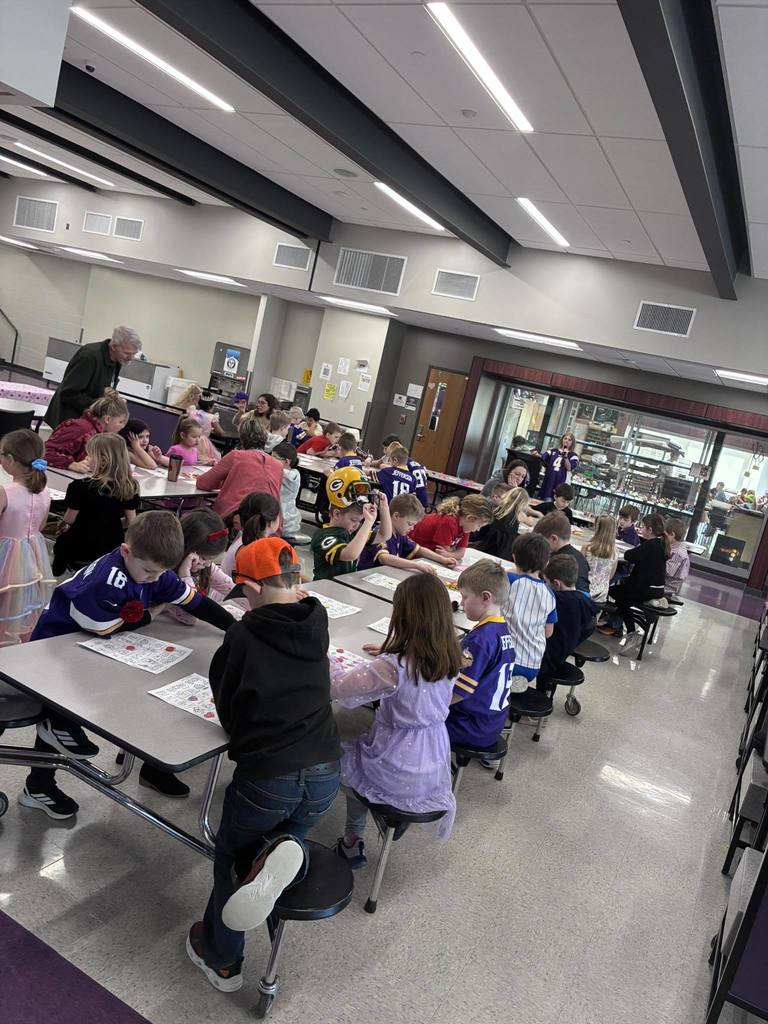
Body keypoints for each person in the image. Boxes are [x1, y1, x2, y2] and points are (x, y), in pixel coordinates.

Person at [187, 537, 341, 988]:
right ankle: (284, 861)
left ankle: (223, 961)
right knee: (284, 843)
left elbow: (229, 708)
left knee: (231, 859)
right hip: (325, 771)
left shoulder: (243, 634)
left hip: (269, 776)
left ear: (250, 588)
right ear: (296, 579)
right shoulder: (319, 620)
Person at [21, 512, 236, 818]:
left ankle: (39, 782)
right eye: (148, 572)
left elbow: (194, 602)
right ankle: (43, 773)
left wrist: (234, 627)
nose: (152, 580)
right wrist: (150, 614)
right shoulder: (107, 578)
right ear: (126, 552)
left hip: (88, 649)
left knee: (66, 714)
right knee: (59, 712)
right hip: (55, 646)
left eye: (158, 575)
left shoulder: (152, 569)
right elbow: (104, 626)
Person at [333, 573, 462, 868]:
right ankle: (392, 813)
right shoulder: (451, 655)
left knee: (346, 767)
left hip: (394, 762)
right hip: (432, 761)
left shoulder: (393, 667)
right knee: (359, 757)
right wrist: (389, 654)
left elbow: (339, 687)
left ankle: (352, 841)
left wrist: (324, 659)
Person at [445, 560, 516, 751]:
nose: (461, 603)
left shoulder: (480, 640)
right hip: (490, 725)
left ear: (486, 597)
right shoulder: (501, 630)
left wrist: (429, 708)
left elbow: (459, 692)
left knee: (410, 712)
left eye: (465, 597)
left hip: (467, 726)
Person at [52, 434, 140, 575]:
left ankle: (58, 572)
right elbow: (131, 521)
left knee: (62, 541)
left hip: (82, 544)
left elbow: (69, 519)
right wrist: (110, 523)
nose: (86, 459)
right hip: (112, 546)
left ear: (103, 461)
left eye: (89, 455)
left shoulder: (79, 486)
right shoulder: (129, 486)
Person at [0, 430, 53, 645]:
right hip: (32, 552)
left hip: (5, 553)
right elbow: (41, 525)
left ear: (10, 460)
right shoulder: (45, 491)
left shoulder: (6, 492)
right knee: (18, 600)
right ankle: (13, 637)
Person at [45, 325, 141, 428]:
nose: (130, 358)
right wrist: (103, 405)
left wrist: (113, 401)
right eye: (127, 353)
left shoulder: (118, 359)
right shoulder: (89, 357)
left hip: (87, 420)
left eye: (134, 354)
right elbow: (69, 393)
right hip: (68, 421)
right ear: (114, 347)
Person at [606, 513, 669, 658]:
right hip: (657, 589)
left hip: (643, 589)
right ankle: (620, 623)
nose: (640, 529)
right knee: (623, 592)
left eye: (643, 527)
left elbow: (629, 556)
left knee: (615, 593)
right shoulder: (662, 545)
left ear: (650, 530)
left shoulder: (650, 545)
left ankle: (631, 632)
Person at [501, 533, 557, 693]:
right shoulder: (550, 594)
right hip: (532, 665)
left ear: (514, 557)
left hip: (505, 658)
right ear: (546, 563)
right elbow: (548, 633)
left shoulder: (509, 580)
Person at [196, 418, 283, 521]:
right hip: (270, 524)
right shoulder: (278, 466)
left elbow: (203, 483)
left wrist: (225, 483)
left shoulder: (236, 456)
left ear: (241, 438)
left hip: (233, 519)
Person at [358, 493, 457, 573]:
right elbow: (385, 558)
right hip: (364, 578)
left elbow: (419, 549)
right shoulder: (380, 532)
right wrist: (416, 565)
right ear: (396, 516)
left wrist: (443, 559)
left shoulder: (399, 534)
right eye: (410, 524)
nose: (412, 528)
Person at [311, 468, 381, 581]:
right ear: (337, 514)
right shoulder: (322, 536)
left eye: (360, 521)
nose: (357, 525)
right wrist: (368, 523)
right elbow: (350, 554)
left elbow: (384, 535)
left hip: (343, 588)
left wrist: (384, 506)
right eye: (354, 520)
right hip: (326, 591)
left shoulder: (351, 531)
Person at [539, 554, 598, 685]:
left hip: (544, 658)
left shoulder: (555, 601)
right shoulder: (585, 601)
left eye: (545, 581)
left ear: (556, 584)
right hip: (561, 655)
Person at [166, 509, 232, 626]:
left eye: (211, 559)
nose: (207, 564)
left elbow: (232, 589)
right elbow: (190, 617)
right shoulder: (166, 574)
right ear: (185, 549)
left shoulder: (205, 566)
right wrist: (185, 575)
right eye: (203, 557)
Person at [44, 391, 129, 471]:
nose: (122, 426)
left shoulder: (99, 434)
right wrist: (71, 464)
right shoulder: (81, 428)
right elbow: (44, 451)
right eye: (120, 422)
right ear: (107, 419)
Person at [409, 495, 493, 562]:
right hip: (411, 553)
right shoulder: (449, 521)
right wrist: (452, 552)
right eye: (479, 526)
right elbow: (442, 552)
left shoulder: (465, 527)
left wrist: (450, 553)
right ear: (470, 518)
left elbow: (461, 553)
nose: (478, 530)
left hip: (426, 556)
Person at [221, 493, 280, 579]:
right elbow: (269, 581)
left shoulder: (245, 537)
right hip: (231, 591)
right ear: (271, 523)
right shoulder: (254, 549)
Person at [472, 486, 538, 562]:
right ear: (523, 504)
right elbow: (530, 522)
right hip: (504, 555)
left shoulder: (497, 510)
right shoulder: (518, 516)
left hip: (485, 549)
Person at [533, 511, 591, 594]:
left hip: (564, 601)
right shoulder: (580, 557)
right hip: (582, 600)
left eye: (542, 540)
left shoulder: (557, 560)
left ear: (554, 539)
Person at [271, 442, 305, 543]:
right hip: (284, 519)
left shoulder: (291, 476)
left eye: (274, 457)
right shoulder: (287, 472)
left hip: (285, 522)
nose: (270, 459)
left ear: (286, 462)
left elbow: (283, 474)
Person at [582, 514, 618, 602]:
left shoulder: (587, 547)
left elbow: (579, 570)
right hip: (601, 594)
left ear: (597, 528)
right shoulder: (615, 552)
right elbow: (610, 576)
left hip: (584, 590)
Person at [538, 433, 579, 500]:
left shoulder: (573, 455)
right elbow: (543, 457)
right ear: (562, 440)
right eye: (565, 439)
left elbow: (569, 467)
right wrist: (537, 455)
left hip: (562, 482)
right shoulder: (553, 451)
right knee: (546, 500)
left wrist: (565, 457)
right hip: (549, 481)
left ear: (572, 443)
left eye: (569, 440)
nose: (566, 441)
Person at [190, 392, 224, 465]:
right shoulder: (211, 417)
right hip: (202, 441)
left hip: (190, 437)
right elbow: (220, 432)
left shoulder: (193, 413)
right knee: (204, 458)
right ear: (209, 407)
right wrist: (212, 429)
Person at [664, 518, 690, 596]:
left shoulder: (677, 553)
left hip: (665, 587)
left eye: (664, 535)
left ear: (672, 534)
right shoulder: (676, 547)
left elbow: (667, 572)